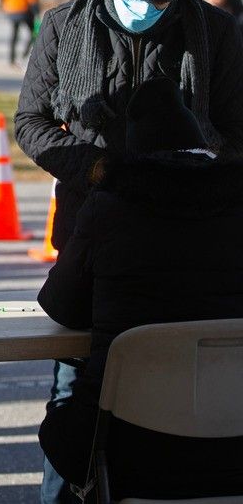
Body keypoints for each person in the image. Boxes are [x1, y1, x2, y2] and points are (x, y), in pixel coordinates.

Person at [15, 0, 243, 504]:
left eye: (158, 2)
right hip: (95, 229)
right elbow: (32, 123)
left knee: (192, 389)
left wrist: (192, 159)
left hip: (197, 230)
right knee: (76, 383)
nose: (142, 9)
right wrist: (98, 170)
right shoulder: (64, 26)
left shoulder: (216, 33)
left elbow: (239, 133)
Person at [38, 78, 243, 500]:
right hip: (232, 440)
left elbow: (60, 306)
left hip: (129, 445)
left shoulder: (110, 207)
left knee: (63, 414)